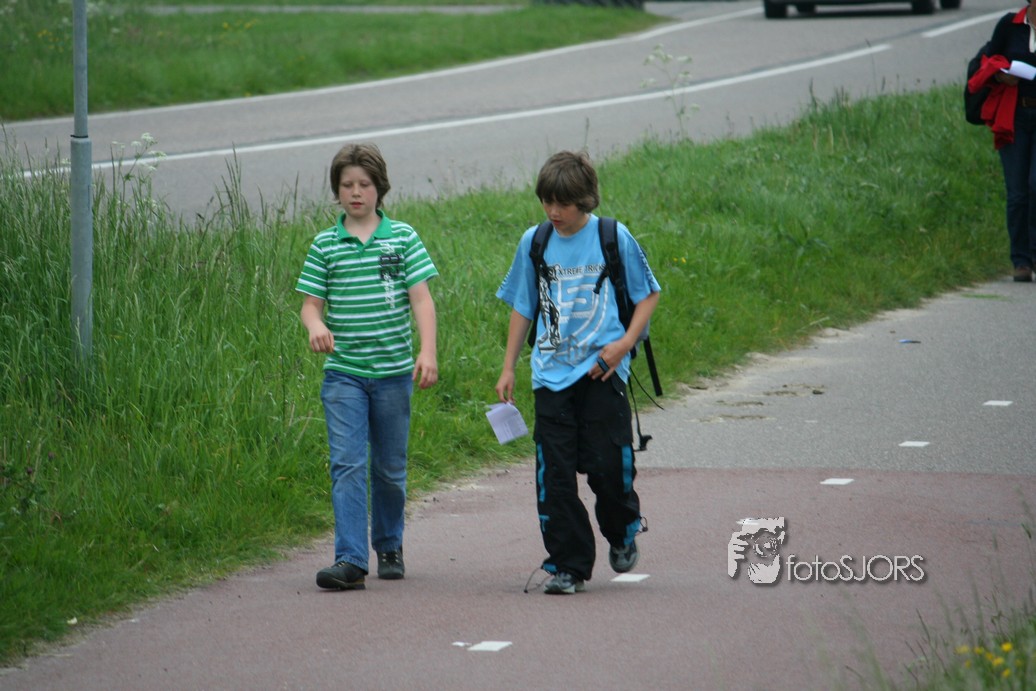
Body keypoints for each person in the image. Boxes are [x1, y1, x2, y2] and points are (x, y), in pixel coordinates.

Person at [494, 150, 661, 595]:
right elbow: (523, 305)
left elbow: (648, 295)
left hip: (603, 373)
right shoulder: (534, 242)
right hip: (550, 376)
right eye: (547, 201)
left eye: (563, 204)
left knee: (608, 468)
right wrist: (509, 366)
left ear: (585, 200)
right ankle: (568, 565)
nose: (554, 212)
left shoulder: (613, 236)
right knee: (554, 478)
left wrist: (624, 344)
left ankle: (622, 528)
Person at [296, 142, 439, 590]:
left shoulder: (403, 238)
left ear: (380, 188)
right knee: (347, 463)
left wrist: (428, 351)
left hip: (394, 374)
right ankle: (351, 560)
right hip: (344, 375)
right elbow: (310, 305)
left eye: (364, 184)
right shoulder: (325, 244)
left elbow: (422, 299)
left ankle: (389, 544)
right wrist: (316, 326)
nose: (355, 192)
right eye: (346, 185)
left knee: (390, 470)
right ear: (336, 191)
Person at [970, 4, 1036, 282]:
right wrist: (1000, 74)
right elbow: (986, 60)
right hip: (1015, 115)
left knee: (1035, 185)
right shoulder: (1010, 26)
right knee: (1017, 191)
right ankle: (1021, 260)